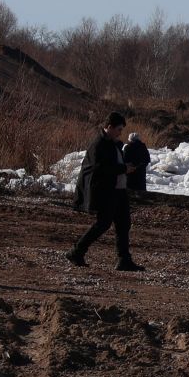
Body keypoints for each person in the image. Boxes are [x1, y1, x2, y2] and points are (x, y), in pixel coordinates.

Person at [67, 112, 143, 271]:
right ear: (109, 127)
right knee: (103, 223)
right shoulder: (99, 144)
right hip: (108, 191)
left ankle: (124, 260)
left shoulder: (112, 143)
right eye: (119, 129)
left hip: (118, 189)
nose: (120, 133)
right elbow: (99, 168)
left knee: (123, 224)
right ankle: (77, 251)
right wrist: (123, 168)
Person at [123, 132, 151, 197]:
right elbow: (147, 159)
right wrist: (141, 166)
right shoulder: (143, 146)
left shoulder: (127, 147)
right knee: (141, 190)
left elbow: (124, 160)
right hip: (141, 172)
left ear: (130, 139)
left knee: (130, 192)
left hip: (130, 172)